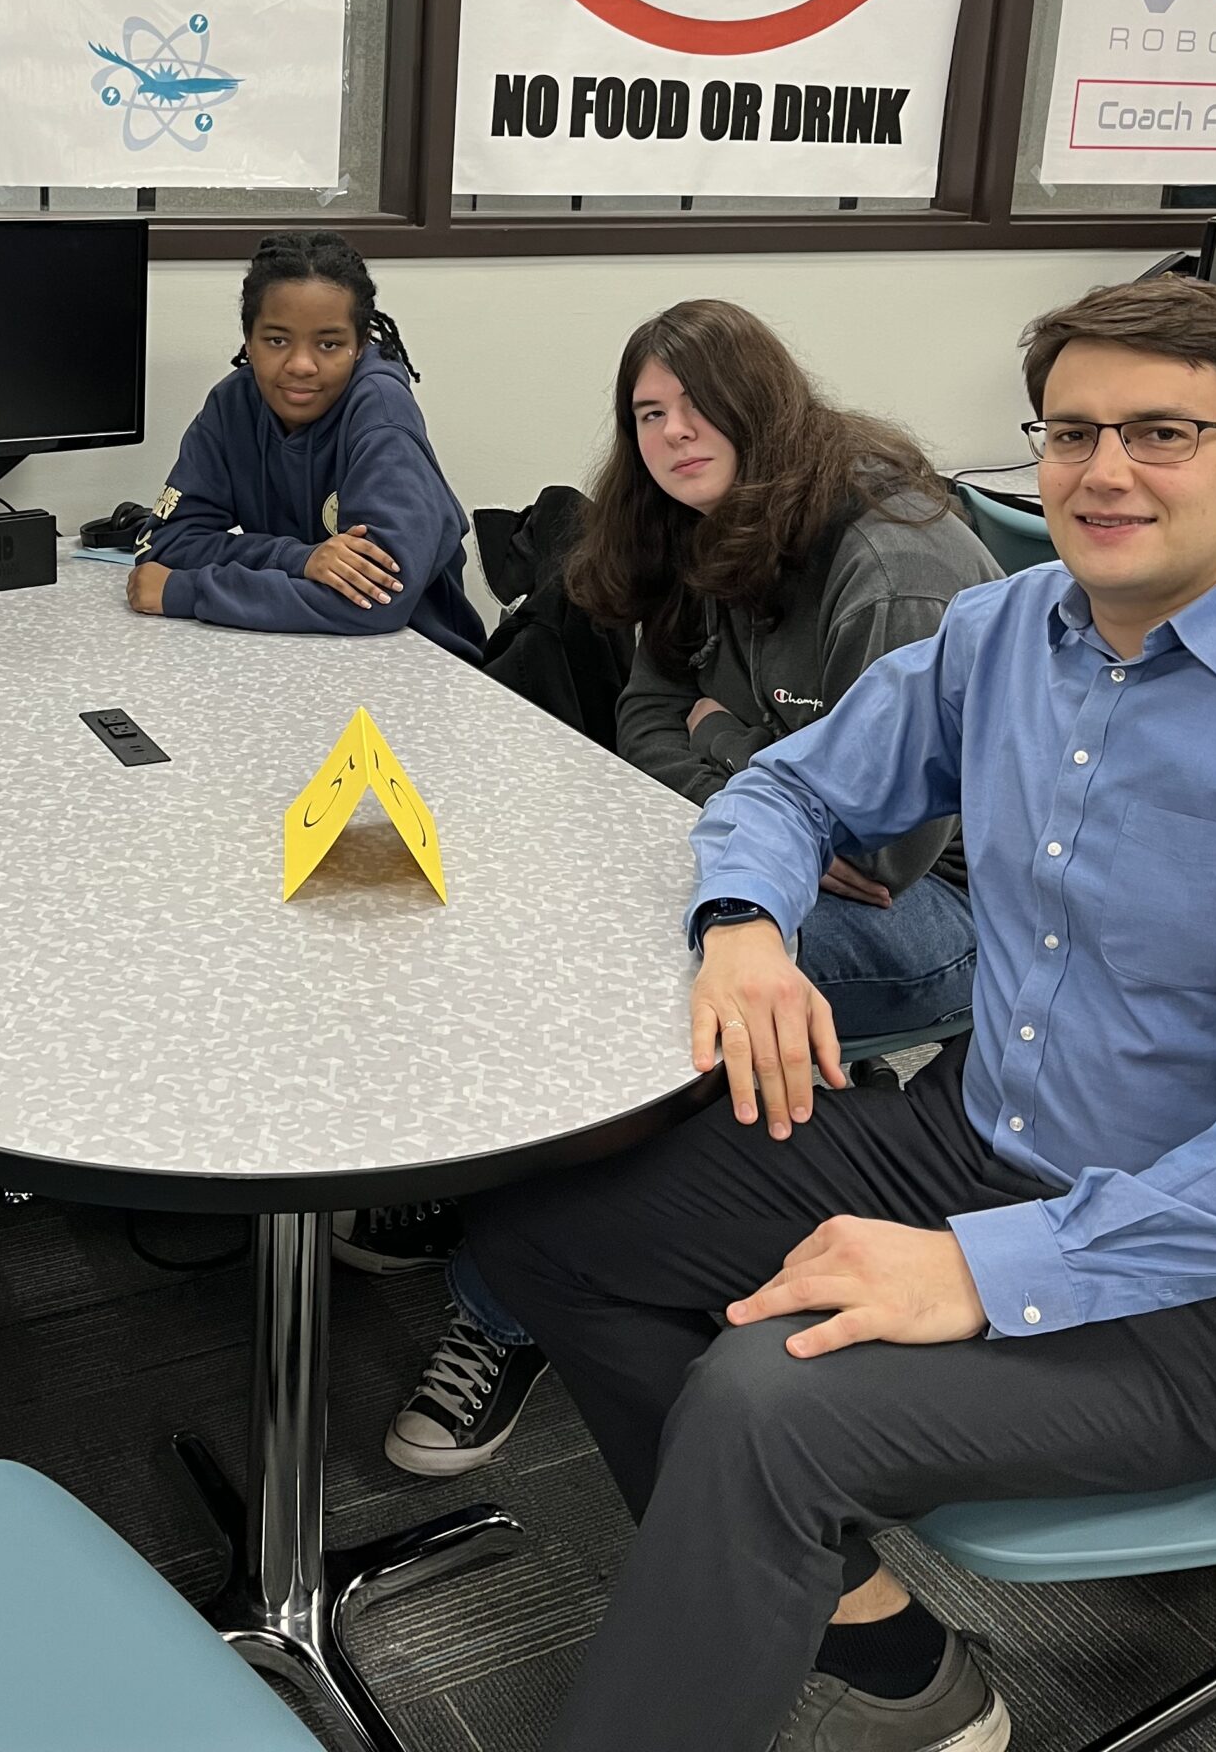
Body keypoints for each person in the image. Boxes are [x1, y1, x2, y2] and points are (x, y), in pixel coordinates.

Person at [464, 274, 1216, 1752]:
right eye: (1072, 431)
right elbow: (792, 783)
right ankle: (885, 1655)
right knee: (540, 1241)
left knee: (767, 1406)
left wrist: (994, 1268)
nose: (1104, 471)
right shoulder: (1008, 630)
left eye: (1163, 431)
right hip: (978, 1132)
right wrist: (748, 926)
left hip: (1206, 1278)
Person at [374, 300, 998, 1481]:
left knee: (618, 986)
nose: (672, 432)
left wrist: (734, 759)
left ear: (764, 403)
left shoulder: (889, 564)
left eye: (697, 405)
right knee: (525, 904)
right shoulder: (709, 519)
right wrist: (745, 770)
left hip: (946, 914)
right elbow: (645, 714)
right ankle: (486, 1189)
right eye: (648, 412)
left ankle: (503, 1307)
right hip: (761, 853)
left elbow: (881, 854)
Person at [125, 230, 485, 662]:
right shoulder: (233, 404)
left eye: (329, 344)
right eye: (276, 340)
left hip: (418, 664)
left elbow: (375, 603)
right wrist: (299, 559)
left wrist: (187, 591)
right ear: (247, 339)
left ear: (359, 345)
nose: (300, 365)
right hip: (294, 653)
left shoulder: (383, 415)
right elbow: (163, 546)